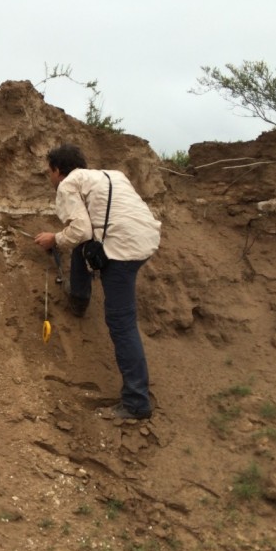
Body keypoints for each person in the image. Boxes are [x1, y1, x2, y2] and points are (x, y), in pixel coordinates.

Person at [34, 143, 161, 420]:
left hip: (123, 250)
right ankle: (79, 297)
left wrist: (54, 239)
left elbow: (79, 228)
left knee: (121, 323)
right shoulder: (113, 175)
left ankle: (136, 403)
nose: (49, 177)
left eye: (49, 171)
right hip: (146, 239)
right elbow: (89, 229)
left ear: (58, 170)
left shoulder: (67, 185)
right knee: (84, 245)